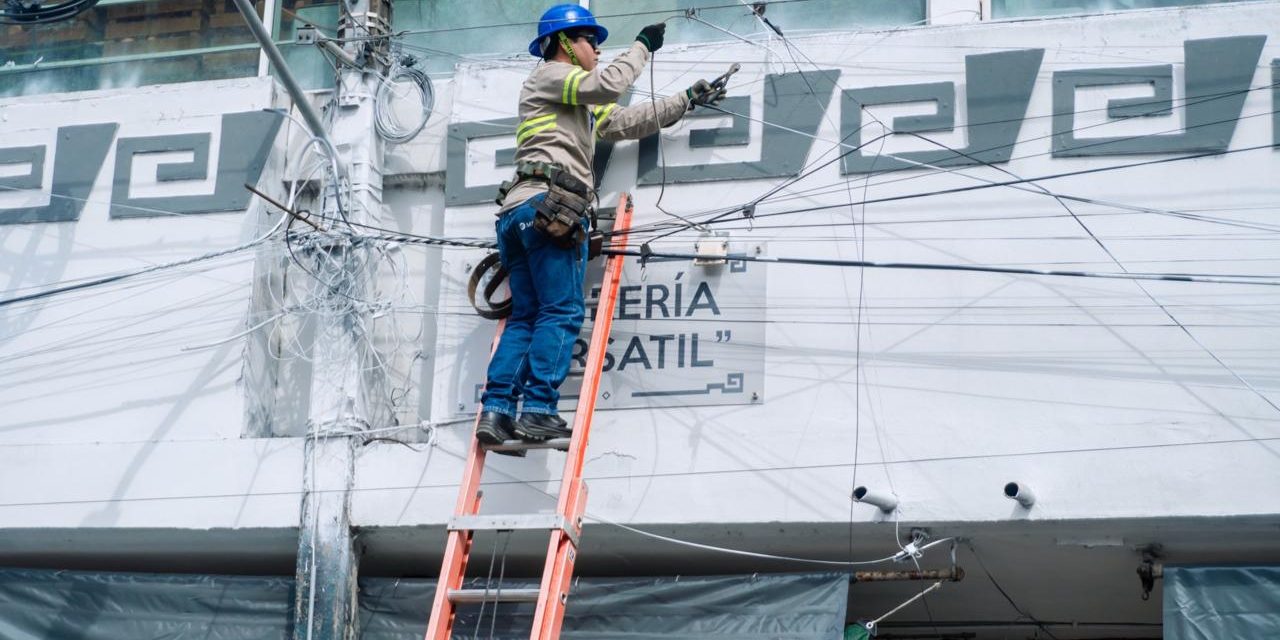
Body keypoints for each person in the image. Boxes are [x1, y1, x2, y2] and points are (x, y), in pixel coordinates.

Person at [476, 4, 724, 452]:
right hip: (547, 207)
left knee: (527, 317)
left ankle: (496, 412)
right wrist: (643, 47)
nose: (598, 49)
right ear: (564, 43)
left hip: (519, 212)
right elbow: (610, 83)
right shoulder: (551, 74)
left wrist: (686, 99)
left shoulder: (572, 101)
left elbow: (624, 121)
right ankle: (537, 410)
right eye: (591, 40)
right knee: (562, 311)